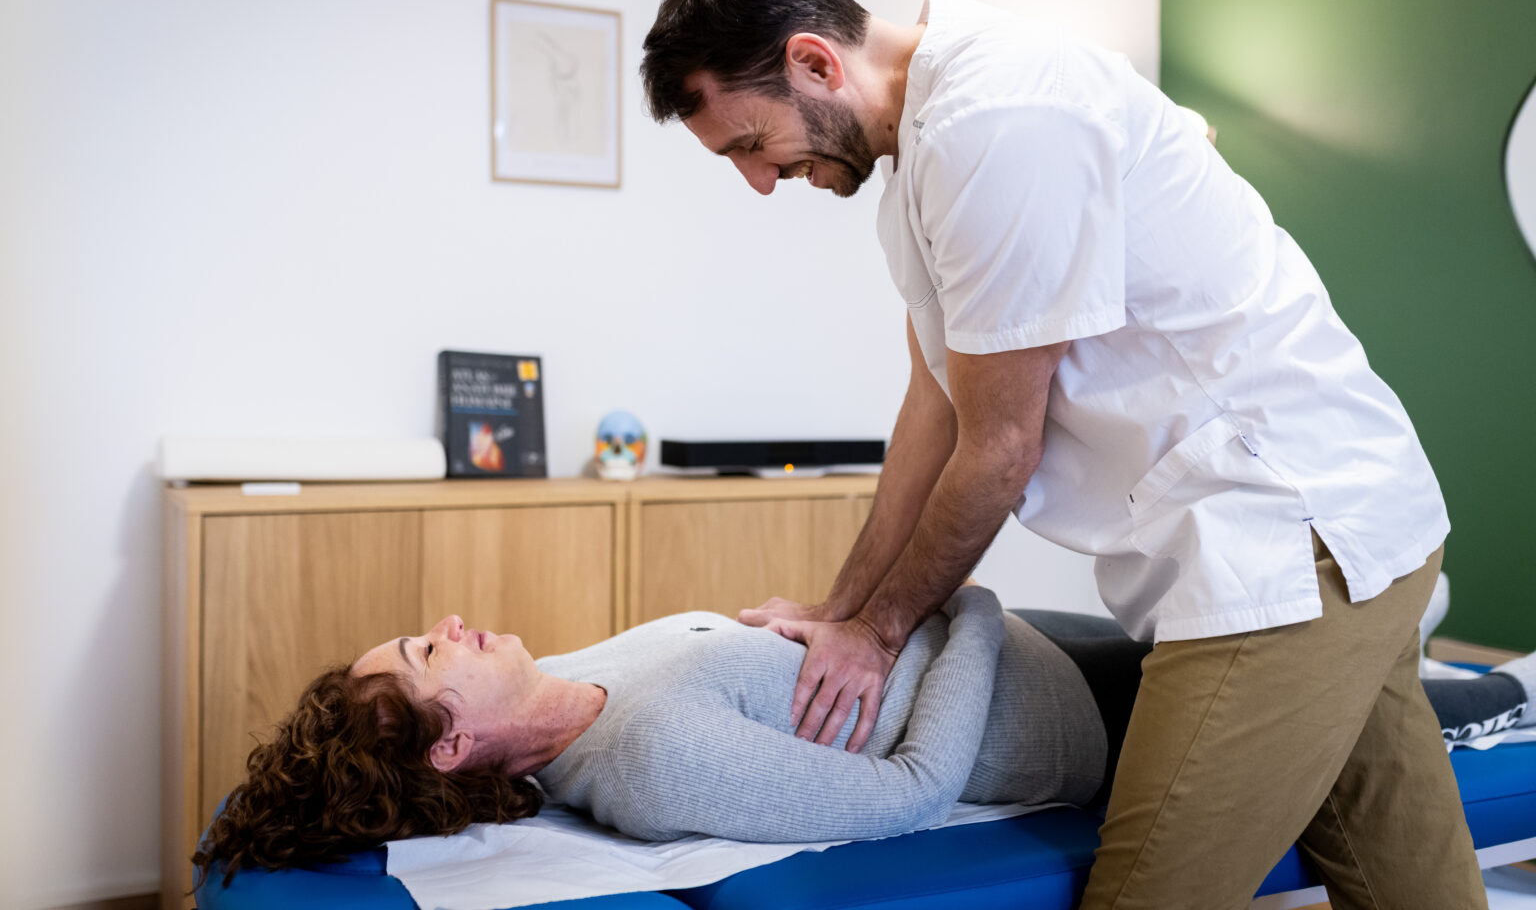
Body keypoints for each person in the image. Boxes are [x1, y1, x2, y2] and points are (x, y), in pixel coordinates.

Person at [639, 0, 1489, 907]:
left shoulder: (997, 118)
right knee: (1416, 893)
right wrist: (838, 613)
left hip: (1295, 536)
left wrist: (876, 638)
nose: (758, 180)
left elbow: (1000, 451)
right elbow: (935, 411)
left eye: (751, 145)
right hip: (1305, 531)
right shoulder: (924, 159)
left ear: (815, 63)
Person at [194, 596, 1536, 889]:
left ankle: (1415, 639)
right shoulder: (644, 766)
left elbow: (727, 656)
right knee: (1405, 695)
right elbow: (909, 790)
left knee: (1349, 646)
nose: (450, 624)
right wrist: (968, 610)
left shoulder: (574, 689)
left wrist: (818, 619)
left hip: (1025, 649)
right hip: (1075, 706)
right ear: (449, 750)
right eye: (431, 656)